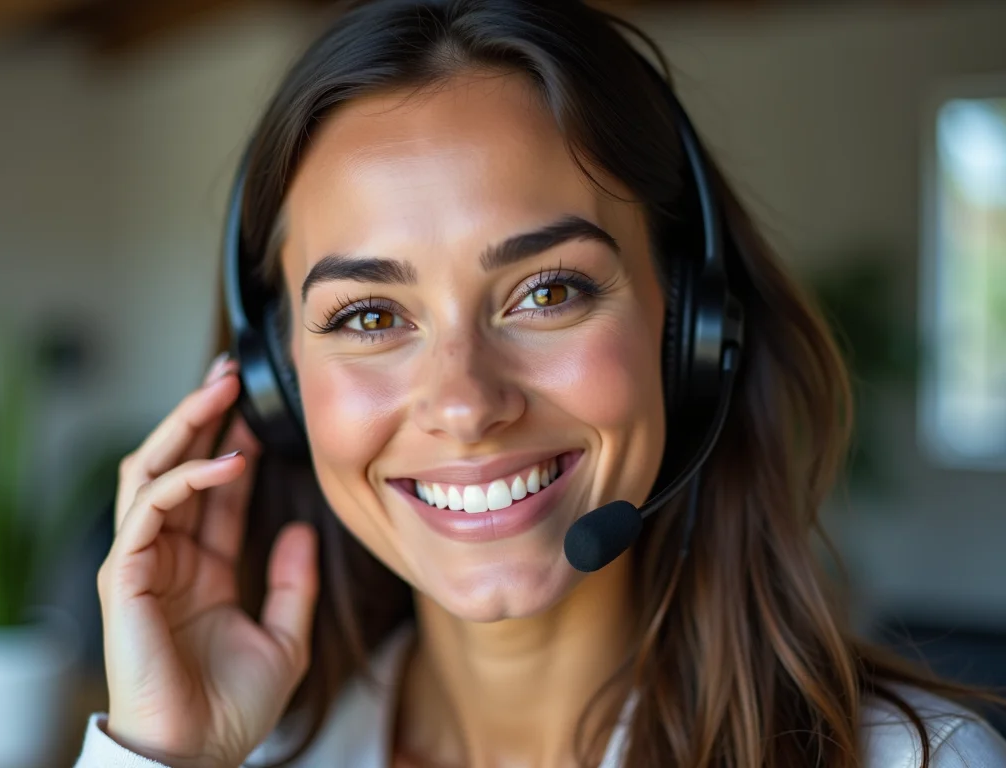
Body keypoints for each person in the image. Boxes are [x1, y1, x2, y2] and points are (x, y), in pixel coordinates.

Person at [76, 0, 1006, 765]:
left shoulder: (917, 759)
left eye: (547, 292)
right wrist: (159, 756)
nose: (466, 403)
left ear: (688, 330)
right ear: (278, 383)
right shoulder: (241, 755)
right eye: (369, 316)